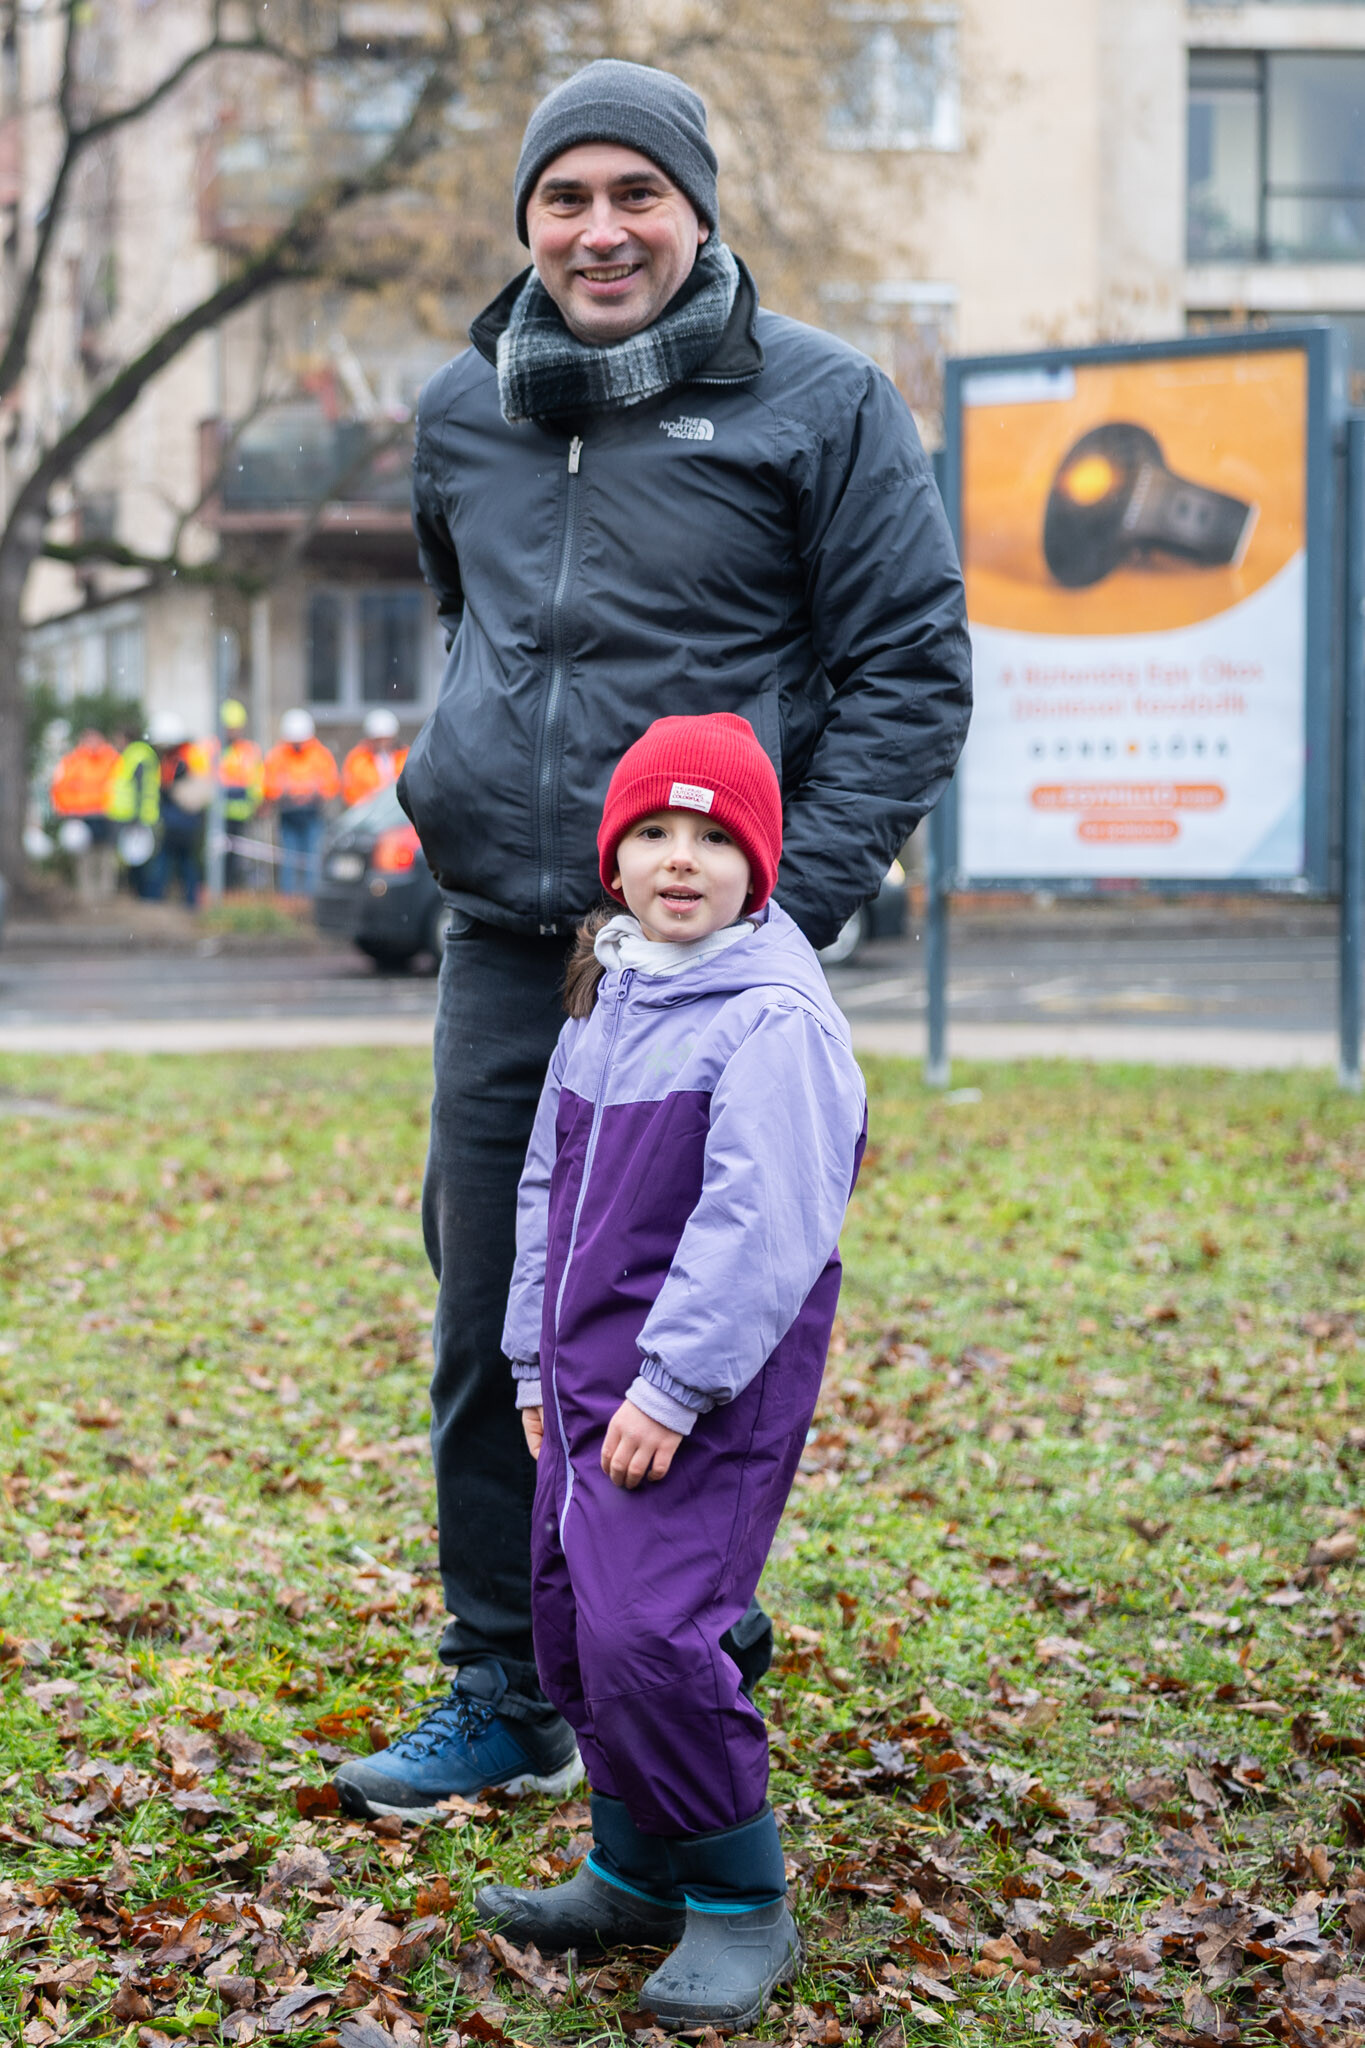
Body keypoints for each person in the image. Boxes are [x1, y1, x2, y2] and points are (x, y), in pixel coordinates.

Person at [333, 58, 970, 1819]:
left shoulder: (820, 403)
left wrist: (778, 904)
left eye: (637, 194)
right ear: (527, 220)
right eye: (566, 198)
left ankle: (680, 1629)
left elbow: (911, 669)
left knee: (693, 1309)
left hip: (707, 965)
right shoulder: (465, 408)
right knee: (497, 1309)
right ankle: (505, 1680)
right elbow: (474, 620)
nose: (600, 231)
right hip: (504, 937)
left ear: (698, 210)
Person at [473, 715, 865, 2029]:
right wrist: (529, 1360)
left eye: (711, 835)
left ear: (760, 863)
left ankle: (741, 1899)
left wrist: (675, 1385)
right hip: (584, 1378)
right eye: (651, 832)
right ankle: (633, 1869)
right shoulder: (615, 990)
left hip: (699, 1394)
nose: (679, 858)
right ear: (615, 859)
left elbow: (765, 1222)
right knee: (574, 1619)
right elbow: (544, 1190)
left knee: (651, 1630)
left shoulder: (768, 1018)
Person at [263, 709, 340, 896]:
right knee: (288, 859)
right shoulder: (278, 755)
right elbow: (269, 785)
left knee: (312, 858)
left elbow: (331, 785)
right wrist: (284, 792)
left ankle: (311, 899)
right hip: (288, 815)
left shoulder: (320, 755)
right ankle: (288, 900)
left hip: (312, 814)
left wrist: (314, 791)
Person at [144, 711, 213, 908]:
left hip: (183, 817)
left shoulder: (187, 756)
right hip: (178, 816)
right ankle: (182, 899)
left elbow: (197, 790)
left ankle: (170, 898)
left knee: (176, 859)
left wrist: (173, 790)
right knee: (179, 859)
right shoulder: (176, 756)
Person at [49, 728, 120, 900]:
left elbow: (119, 785)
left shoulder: (111, 759)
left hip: (105, 814)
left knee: (106, 854)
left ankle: (106, 893)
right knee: (84, 856)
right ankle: (87, 894)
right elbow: (60, 787)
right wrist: (67, 809)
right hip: (81, 815)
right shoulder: (73, 761)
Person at [108, 725, 164, 899]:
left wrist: (137, 817)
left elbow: (140, 788)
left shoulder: (137, 755)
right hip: (135, 816)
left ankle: (147, 896)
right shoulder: (135, 754)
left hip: (139, 817)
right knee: (135, 858)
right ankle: (140, 895)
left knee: (141, 859)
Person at [217, 698, 264, 890]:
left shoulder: (249, 750)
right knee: (221, 858)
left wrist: (258, 803)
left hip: (243, 814)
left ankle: (235, 890)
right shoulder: (215, 749)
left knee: (240, 859)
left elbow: (257, 780)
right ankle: (222, 889)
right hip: (219, 815)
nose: (232, 732)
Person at [341, 707, 408, 809]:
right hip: (369, 811)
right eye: (378, 740)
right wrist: (372, 795)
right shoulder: (358, 759)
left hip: (399, 810)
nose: (383, 743)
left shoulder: (405, 756)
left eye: (387, 739)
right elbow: (350, 791)